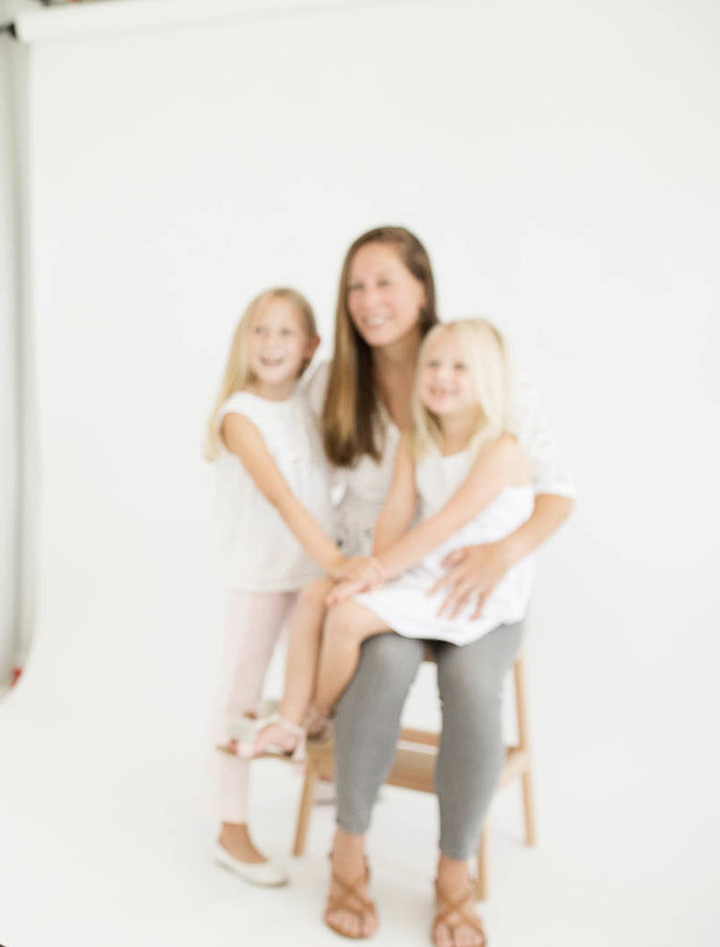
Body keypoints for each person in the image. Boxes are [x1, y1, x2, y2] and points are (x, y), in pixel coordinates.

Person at [279, 227, 574, 946]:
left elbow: (556, 491)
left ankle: (454, 872)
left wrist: (504, 552)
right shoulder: (337, 383)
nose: (368, 300)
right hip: (399, 574)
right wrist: (348, 567)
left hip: (479, 584)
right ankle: (348, 848)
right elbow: (307, 473)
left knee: (471, 685)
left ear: (422, 289)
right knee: (381, 664)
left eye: (385, 282)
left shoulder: (479, 368)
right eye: (355, 286)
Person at [250, 319, 535, 757]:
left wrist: (376, 575)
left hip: (464, 583)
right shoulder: (415, 439)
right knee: (313, 596)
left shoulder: (501, 450)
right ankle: (288, 719)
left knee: (346, 617)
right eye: (433, 364)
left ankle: (317, 717)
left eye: (460, 367)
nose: (441, 375)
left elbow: (445, 525)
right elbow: (396, 513)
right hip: (418, 566)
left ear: (488, 379)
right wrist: (370, 571)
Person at [202, 288, 378, 886]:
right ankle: (230, 827)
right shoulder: (240, 414)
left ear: (310, 346)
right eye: (261, 330)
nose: (271, 344)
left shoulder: (309, 401)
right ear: (244, 339)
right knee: (240, 695)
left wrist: (333, 563)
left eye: (286, 332)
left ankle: (315, 762)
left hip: (311, 572)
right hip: (262, 573)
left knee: (326, 678)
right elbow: (280, 496)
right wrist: (337, 560)